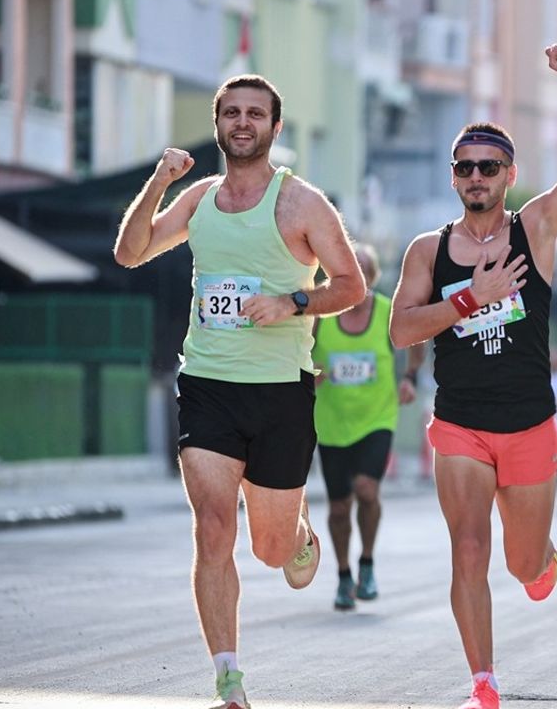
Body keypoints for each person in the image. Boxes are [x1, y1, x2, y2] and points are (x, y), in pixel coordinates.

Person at [113, 74, 366, 709]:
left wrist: (292, 301)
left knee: (269, 546)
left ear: (275, 128)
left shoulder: (302, 204)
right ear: (220, 123)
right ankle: (228, 678)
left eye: (256, 113)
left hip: (281, 392)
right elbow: (130, 252)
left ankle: (297, 533)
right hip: (207, 386)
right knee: (214, 528)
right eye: (232, 113)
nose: (243, 122)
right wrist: (159, 180)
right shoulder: (197, 200)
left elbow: (351, 287)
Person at [388, 43, 557, 709]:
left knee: (522, 564)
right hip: (459, 424)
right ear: (454, 177)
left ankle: (542, 559)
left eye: (487, 166)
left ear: (508, 173)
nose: (476, 176)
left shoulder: (535, 227)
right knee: (468, 547)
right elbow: (401, 330)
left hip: (529, 425)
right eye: (465, 168)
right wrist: (468, 298)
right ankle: (483, 683)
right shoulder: (428, 250)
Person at [312, 244, 426, 610]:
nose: (356, 273)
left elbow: (416, 338)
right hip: (331, 421)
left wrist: (409, 376)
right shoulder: (320, 312)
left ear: (373, 276)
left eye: (363, 269)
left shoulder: (386, 312)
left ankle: (367, 564)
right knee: (339, 507)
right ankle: (344, 576)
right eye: (349, 266)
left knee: (367, 490)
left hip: (378, 416)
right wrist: (306, 374)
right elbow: (296, 347)